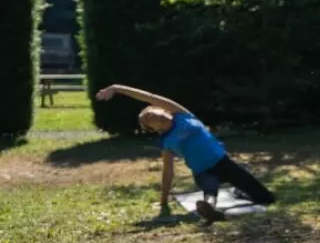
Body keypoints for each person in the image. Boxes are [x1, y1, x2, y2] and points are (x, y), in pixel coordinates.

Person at [95, 84, 275, 223]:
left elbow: (148, 97)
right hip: (203, 171)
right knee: (209, 189)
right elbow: (168, 172)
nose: (153, 116)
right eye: (149, 119)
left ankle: (239, 192)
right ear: (153, 129)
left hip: (223, 163)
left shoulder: (183, 114)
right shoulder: (166, 142)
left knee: (266, 199)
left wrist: (116, 88)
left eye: (153, 111)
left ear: (163, 109)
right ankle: (209, 209)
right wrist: (163, 201)